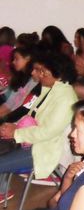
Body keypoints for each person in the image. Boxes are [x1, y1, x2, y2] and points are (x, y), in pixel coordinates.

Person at [0, 51, 78, 188]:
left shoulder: (66, 98)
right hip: (30, 141)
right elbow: (29, 117)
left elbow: (46, 133)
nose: (40, 75)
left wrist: (15, 132)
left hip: (43, 150)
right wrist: (11, 127)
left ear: (57, 75)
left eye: (43, 71)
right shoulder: (49, 90)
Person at [0, 46, 41, 124]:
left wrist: (4, 121)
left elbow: (24, 109)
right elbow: (9, 104)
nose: (13, 62)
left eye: (17, 59)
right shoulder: (21, 78)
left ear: (28, 58)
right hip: (10, 118)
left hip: (18, 122)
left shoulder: (35, 81)